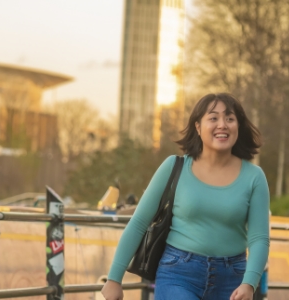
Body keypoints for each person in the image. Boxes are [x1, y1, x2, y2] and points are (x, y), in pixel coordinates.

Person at [101, 93, 270, 300]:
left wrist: (249, 284)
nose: (222, 125)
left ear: (238, 126)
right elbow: (139, 223)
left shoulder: (254, 177)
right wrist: (114, 279)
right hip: (178, 274)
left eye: (230, 118)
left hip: (233, 278)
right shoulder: (174, 167)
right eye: (213, 118)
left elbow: (259, 238)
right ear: (198, 127)